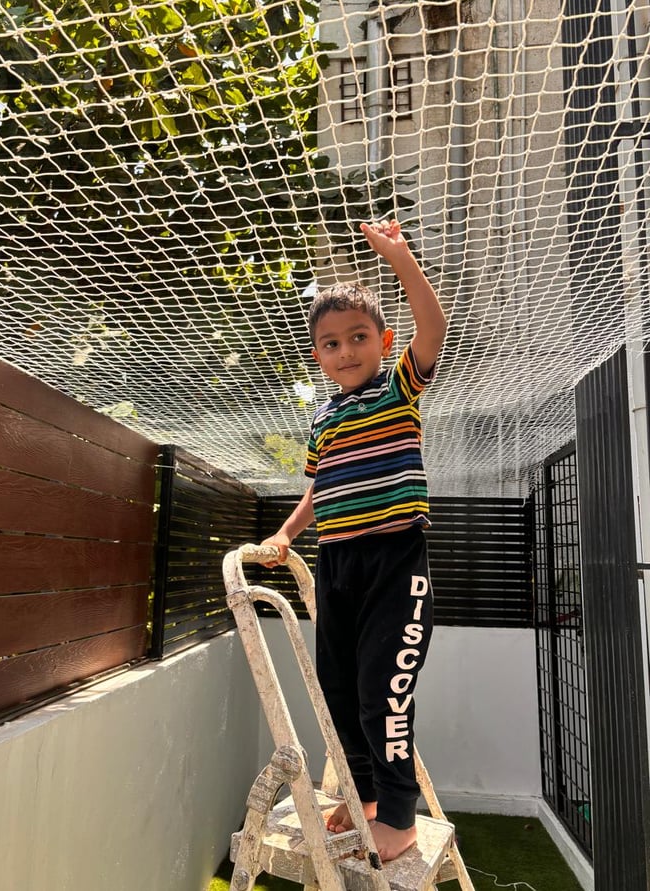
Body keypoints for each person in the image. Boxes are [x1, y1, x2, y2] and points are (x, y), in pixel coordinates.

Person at [261, 219, 447, 862]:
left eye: (359, 337)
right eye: (332, 343)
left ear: (383, 341)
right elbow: (321, 488)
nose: (346, 351)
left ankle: (396, 815)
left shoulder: (399, 386)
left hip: (395, 563)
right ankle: (363, 796)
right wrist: (285, 535)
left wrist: (401, 262)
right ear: (318, 355)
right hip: (336, 561)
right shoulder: (325, 414)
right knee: (340, 696)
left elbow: (435, 330)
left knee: (381, 695)